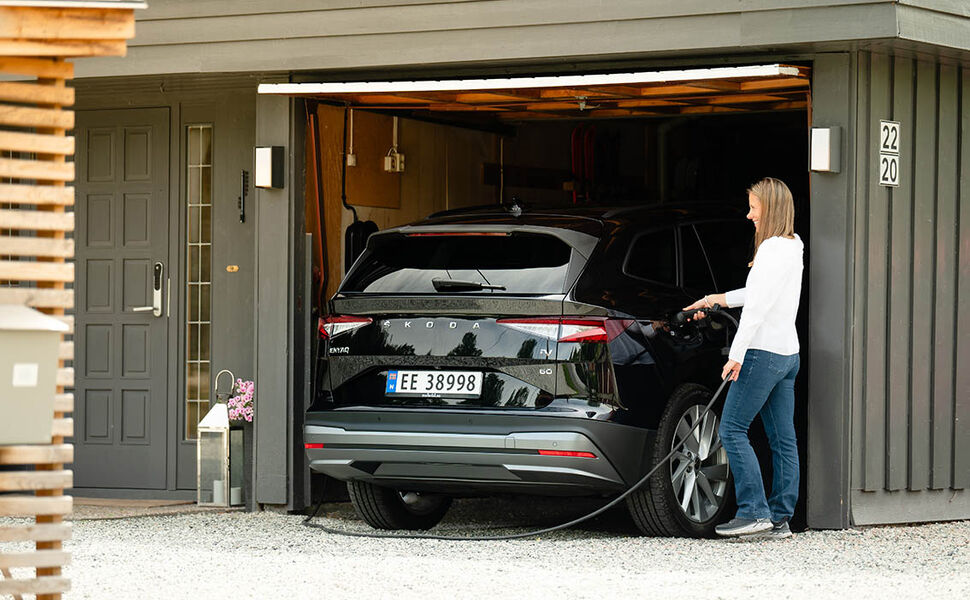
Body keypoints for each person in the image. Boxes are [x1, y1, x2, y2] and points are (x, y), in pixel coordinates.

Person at [682, 177, 803, 539]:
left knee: (732, 429)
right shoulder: (793, 245)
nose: (749, 215)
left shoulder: (769, 251)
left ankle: (753, 512)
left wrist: (736, 355)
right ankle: (780, 518)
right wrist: (714, 299)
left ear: (771, 208)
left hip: (762, 353)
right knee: (784, 439)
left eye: (754, 207)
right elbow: (756, 293)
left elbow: (758, 309)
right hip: (788, 354)